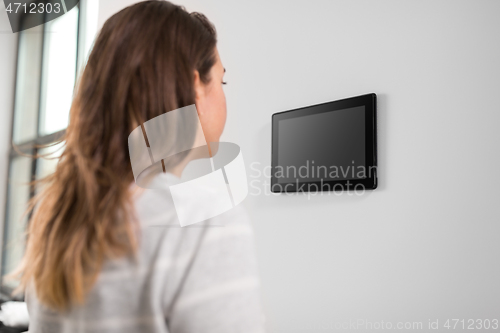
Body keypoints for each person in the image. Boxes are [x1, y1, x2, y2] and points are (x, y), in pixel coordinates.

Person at [8, 1, 266, 332]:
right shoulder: (205, 221)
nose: (224, 95)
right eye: (221, 82)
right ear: (193, 88)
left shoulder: (59, 219)